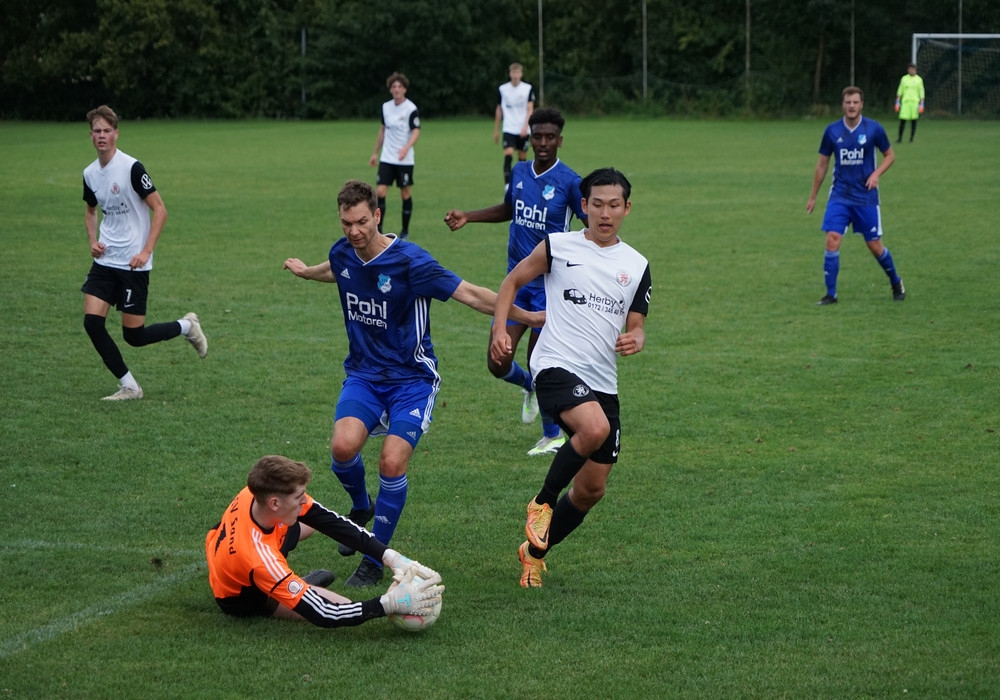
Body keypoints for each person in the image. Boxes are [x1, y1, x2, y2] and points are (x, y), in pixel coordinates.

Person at [284, 179, 542, 587]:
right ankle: (361, 507)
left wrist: (528, 318)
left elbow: (471, 294)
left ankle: (373, 558)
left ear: (378, 215)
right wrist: (306, 272)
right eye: (347, 223)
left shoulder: (411, 262)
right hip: (365, 375)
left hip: (412, 380)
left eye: (362, 222)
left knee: (391, 461)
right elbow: (335, 268)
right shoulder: (343, 251)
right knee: (342, 448)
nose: (354, 231)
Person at [491, 167, 650, 588]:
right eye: (597, 204)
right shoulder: (557, 246)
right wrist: (499, 330)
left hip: (603, 381)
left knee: (591, 490)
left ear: (627, 208)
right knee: (594, 428)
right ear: (583, 206)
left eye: (613, 205)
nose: (605, 213)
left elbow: (636, 323)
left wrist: (636, 337)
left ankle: (533, 555)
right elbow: (512, 282)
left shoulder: (637, 265)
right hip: (555, 365)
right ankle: (542, 503)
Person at [444, 108, 586, 458]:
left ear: (560, 140)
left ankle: (552, 436)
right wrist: (469, 216)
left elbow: (591, 227)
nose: (543, 142)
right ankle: (529, 387)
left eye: (550, 137)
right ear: (529, 138)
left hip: (551, 288)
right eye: (537, 136)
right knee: (497, 362)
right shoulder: (520, 171)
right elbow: (510, 208)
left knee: (541, 362)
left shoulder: (570, 182)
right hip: (516, 285)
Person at [205, 455, 443, 628]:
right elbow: (327, 614)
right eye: (298, 497)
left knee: (311, 522)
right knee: (343, 603)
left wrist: (390, 556)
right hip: (243, 596)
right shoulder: (260, 560)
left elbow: (331, 522)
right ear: (275, 503)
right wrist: (387, 604)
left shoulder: (254, 494)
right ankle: (295, 587)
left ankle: (294, 585)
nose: (304, 501)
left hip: (229, 548)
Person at [81, 105, 207, 401]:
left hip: (133, 263)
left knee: (134, 336)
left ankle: (187, 326)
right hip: (106, 260)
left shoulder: (132, 168)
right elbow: (90, 210)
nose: (102, 135)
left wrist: (146, 251)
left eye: (107, 130)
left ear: (116, 134)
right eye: (97, 131)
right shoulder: (89, 173)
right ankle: (130, 386)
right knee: (92, 323)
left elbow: (160, 209)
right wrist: (92, 240)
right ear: (91, 136)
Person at [806, 86, 904, 306]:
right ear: (843, 105)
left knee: (875, 246)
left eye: (855, 102)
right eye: (848, 102)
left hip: (866, 197)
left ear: (861, 105)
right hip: (840, 195)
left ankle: (896, 281)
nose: (851, 106)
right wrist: (813, 196)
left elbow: (890, 155)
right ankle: (831, 294)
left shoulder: (873, 129)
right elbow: (822, 165)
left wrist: (876, 174)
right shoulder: (832, 131)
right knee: (832, 239)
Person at [369, 72, 420, 238]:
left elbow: (416, 131)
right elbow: (383, 130)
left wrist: (406, 148)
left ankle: (405, 231)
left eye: (400, 86)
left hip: (404, 160)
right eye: (394, 86)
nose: (397, 89)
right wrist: (375, 153)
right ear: (390, 89)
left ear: (405, 89)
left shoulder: (411, 108)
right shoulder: (386, 107)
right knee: (380, 192)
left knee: (405, 193)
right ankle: (379, 230)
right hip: (387, 157)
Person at [493, 63, 535, 188]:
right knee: (508, 154)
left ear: (521, 74)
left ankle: (521, 184)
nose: (515, 75)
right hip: (509, 128)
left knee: (522, 159)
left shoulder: (527, 88)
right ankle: (507, 185)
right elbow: (499, 109)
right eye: (513, 73)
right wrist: (496, 129)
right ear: (510, 74)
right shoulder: (503, 89)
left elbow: (530, 109)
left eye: (517, 73)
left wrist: (526, 127)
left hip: (523, 128)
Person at [895, 63, 926, 143]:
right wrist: (897, 102)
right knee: (902, 120)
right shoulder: (904, 79)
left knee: (913, 121)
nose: (911, 71)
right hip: (905, 102)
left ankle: (911, 138)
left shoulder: (919, 80)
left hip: (914, 103)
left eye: (912, 69)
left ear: (915, 70)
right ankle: (899, 138)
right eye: (910, 69)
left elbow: (921, 92)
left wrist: (921, 104)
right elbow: (900, 90)